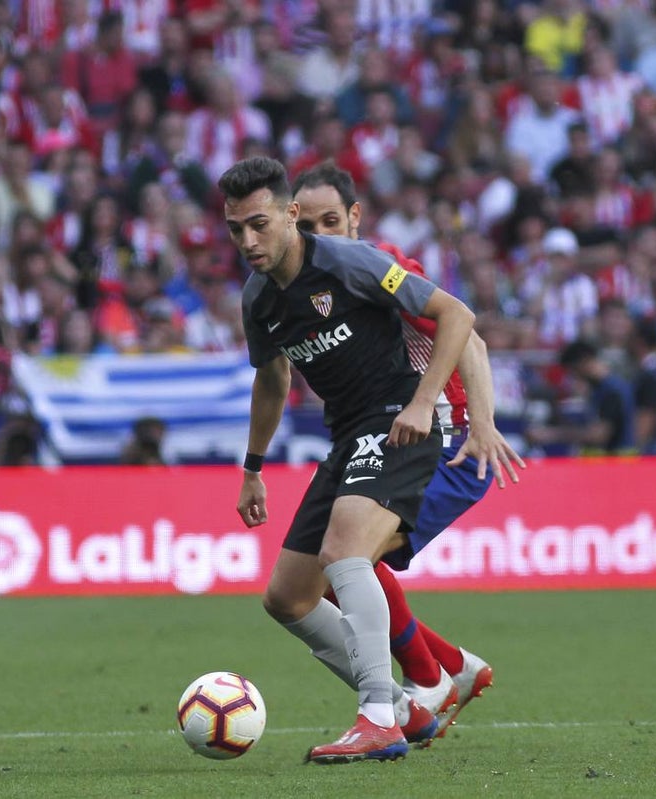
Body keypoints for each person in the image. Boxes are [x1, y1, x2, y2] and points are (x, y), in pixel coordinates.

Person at [223, 156, 477, 763]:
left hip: (397, 422)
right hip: (347, 437)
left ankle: (377, 718)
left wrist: (423, 403)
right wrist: (253, 467)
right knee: (287, 597)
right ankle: (406, 707)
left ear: (290, 215)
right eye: (236, 229)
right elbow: (272, 379)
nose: (248, 241)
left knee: (345, 555)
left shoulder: (349, 261)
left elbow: (456, 315)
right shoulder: (258, 298)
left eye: (259, 224)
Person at [289, 161, 525, 738]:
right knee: (335, 562)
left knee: (344, 558)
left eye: (331, 222)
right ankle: (451, 668)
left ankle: (430, 676)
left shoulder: (381, 265)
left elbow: (468, 336)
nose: (321, 236)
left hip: (447, 445)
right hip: (391, 438)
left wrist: (482, 424)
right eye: (308, 226)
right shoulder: (303, 284)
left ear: (355, 218)